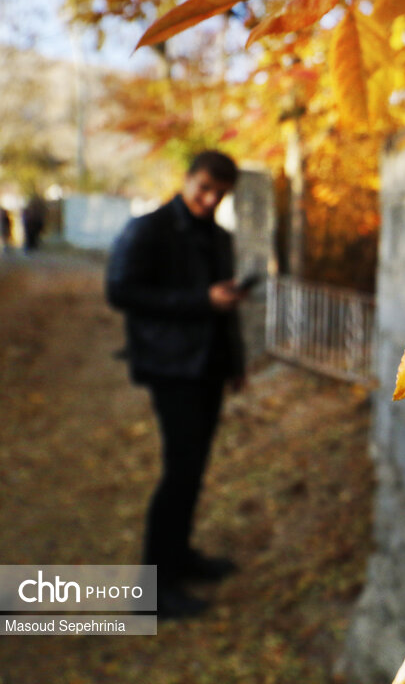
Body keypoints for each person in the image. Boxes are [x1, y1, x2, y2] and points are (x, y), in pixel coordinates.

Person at [105, 150, 247, 619]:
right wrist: (201, 300)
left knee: (193, 468)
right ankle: (152, 589)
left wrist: (236, 363)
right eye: (204, 188)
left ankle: (179, 558)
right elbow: (120, 291)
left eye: (219, 194)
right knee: (180, 471)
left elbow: (224, 308)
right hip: (171, 366)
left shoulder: (219, 237)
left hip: (208, 366)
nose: (209, 200)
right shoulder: (149, 229)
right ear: (187, 179)